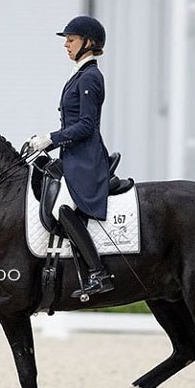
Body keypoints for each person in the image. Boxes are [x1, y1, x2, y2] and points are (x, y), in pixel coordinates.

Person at [29, 15, 113, 299]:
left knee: (61, 209)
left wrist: (50, 138)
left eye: (71, 39)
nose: (66, 44)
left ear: (88, 43)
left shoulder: (90, 77)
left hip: (86, 160)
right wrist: (45, 145)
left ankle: (98, 273)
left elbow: (87, 125)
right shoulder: (80, 74)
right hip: (73, 155)